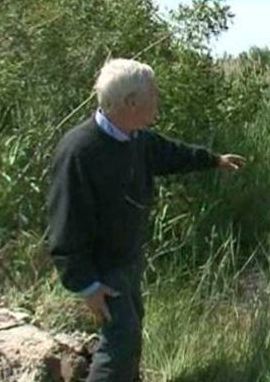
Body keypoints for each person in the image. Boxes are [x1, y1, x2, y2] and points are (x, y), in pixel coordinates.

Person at [47, 58, 245, 381]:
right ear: (130, 102)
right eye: (153, 95)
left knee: (131, 326)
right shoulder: (79, 151)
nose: (158, 101)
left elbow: (172, 154)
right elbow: (65, 224)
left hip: (128, 258)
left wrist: (214, 160)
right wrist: (86, 284)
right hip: (102, 267)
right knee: (121, 340)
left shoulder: (136, 139)